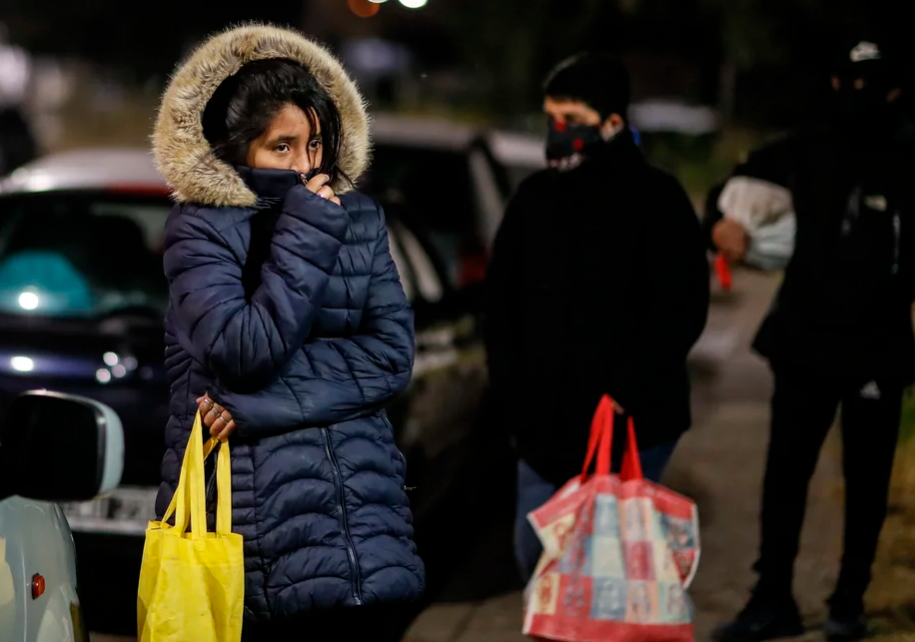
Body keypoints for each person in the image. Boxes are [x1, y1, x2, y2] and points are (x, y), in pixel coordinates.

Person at [151, 25, 423, 640]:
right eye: (283, 146)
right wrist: (305, 228)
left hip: (364, 530)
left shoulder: (359, 219)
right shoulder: (201, 231)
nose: (306, 167)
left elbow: (390, 356)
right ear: (237, 148)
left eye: (317, 145)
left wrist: (253, 406)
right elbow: (244, 350)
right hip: (256, 534)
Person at [706, 40, 915, 642]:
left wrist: (891, 281)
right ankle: (771, 599)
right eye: (848, 81)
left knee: (868, 481)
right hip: (802, 344)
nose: (858, 94)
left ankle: (848, 602)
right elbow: (729, 194)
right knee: (784, 478)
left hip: (877, 348)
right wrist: (717, 227)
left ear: (893, 90)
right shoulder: (803, 151)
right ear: (831, 83)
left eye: (872, 82)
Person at [484, 52, 710, 583]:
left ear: (612, 124)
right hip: (543, 426)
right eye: (550, 117)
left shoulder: (658, 199)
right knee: (538, 561)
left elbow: (680, 308)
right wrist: (513, 394)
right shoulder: (534, 198)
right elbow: (500, 303)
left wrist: (626, 393)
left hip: (631, 424)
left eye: (571, 119)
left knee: (603, 577)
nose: (556, 131)